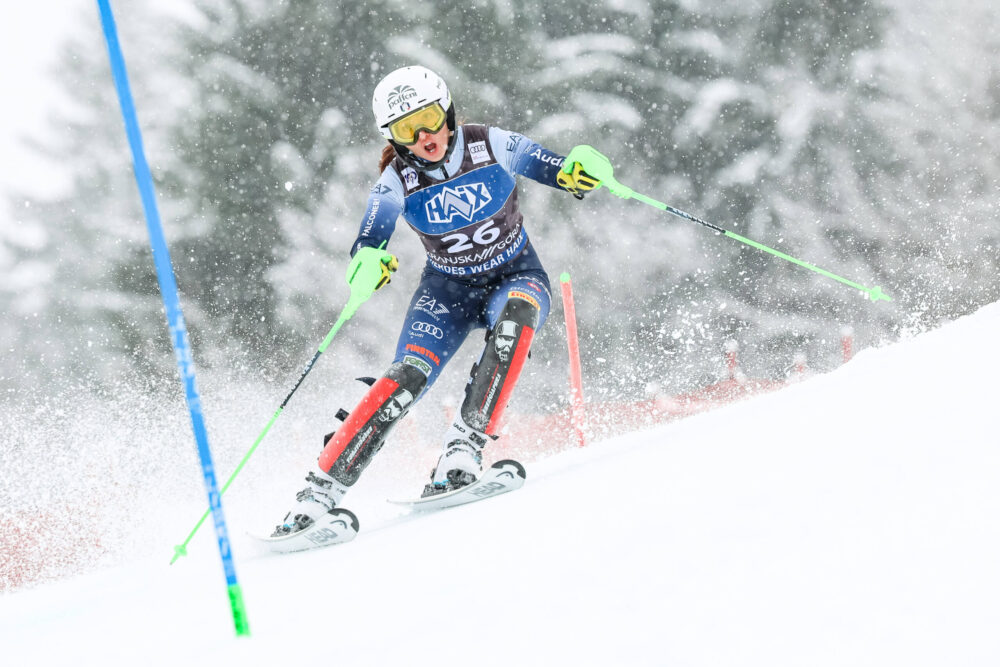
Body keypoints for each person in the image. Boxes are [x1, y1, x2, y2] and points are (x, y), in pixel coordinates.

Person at [273, 65, 600, 536]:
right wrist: (365, 261)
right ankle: (316, 495)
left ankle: (464, 448)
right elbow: (369, 237)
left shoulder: (489, 143)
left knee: (518, 317)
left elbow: (550, 165)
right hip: (447, 293)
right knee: (405, 378)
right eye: (407, 129)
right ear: (395, 137)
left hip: (516, 274)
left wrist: (574, 171)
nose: (424, 135)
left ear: (447, 110)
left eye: (429, 118)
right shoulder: (396, 181)